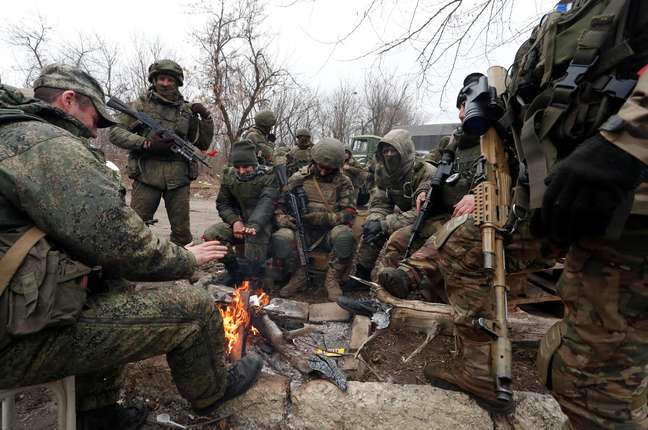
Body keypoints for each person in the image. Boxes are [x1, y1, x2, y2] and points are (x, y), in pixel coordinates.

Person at [0, 64, 261, 430]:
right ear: (68, 99)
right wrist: (186, 260)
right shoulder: (45, 143)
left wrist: (202, 121)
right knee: (193, 308)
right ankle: (211, 392)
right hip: (9, 341)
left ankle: (96, 414)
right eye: (95, 118)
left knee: (110, 283)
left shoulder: (12, 134)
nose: (96, 130)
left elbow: (200, 145)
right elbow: (118, 240)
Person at [429, 1, 648, 426]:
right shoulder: (561, 18)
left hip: (628, 203)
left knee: (590, 385)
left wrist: (626, 143)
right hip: (553, 197)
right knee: (464, 245)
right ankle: (480, 370)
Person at [109, 59, 214, 246]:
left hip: (178, 177)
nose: (165, 83)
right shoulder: (140, 106)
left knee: (182, 233)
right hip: (146, 175)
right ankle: (132, 271)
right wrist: (146, 143)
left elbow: (203, 143)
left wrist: (206, 117)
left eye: (170, 80)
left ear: (177, 82)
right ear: (154, 80)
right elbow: (116, 133)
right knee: (136, 228)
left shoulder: (186, 111)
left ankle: (185, 267)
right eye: (161, 79)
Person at [376, 122, 482, 299]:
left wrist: (478, 195)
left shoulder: (493, 144)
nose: (463, 114)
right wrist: (424, 190)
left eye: (466, 106)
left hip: (474, 216)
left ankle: (410, 281)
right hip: (445, 213)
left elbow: (504, 177)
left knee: (440, 242)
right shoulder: (450, 144)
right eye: (461, 108)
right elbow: (432, 169)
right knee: (398, 239)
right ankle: (384, 292)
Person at [345, 129, 434, 289]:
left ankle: (390, 284)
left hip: (431, 217)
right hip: (408, 214)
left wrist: (385, 224)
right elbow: (381, 201)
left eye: (394, 150)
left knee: (396, 238)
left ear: (405, 151)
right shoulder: (383, 172)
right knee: (372, 228)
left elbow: (421, 211)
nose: (389, 154)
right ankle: (362, 274)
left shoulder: (425, 172)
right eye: (385, 150)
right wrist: (375, 219)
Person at [272, 138, 357, 301]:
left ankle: (332, 279)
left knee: (345, 236)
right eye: (320, 167)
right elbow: (279, 206)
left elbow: (349, 213)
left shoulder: (343, 182)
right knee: (281, 238)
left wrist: (323, 218)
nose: (324, 172)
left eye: (329, 169)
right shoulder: (298, 178)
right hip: (301, 230)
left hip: (327, 233)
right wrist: (283, 219)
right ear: (314, 161)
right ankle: (298, 275)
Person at [203, 140, 279, 285]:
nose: (242, 171)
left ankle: (253, 279)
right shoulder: (230, 176)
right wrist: (235, 221)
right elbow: (223, 203)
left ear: (254, 164)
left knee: (253, 238)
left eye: (246, 167)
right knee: (212, 234)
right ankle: (235, 272)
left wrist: (253, 225)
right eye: (238, 167)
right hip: (240, 222)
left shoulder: (268, 176)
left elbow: (266, 203)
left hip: (263, 224)